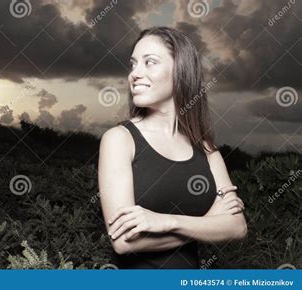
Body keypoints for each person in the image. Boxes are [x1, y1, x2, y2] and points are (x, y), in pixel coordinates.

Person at [98, 26, 247, 269]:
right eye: (133, 64)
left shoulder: (207, 149)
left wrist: (168, 222)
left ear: (180, 71)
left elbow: (237, 227)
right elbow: (123, 240)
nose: (135, 73)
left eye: (150, 62)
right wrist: (207, 221)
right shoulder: (119, 139)